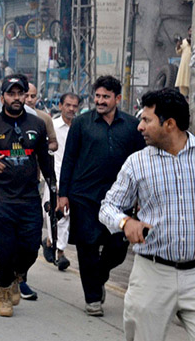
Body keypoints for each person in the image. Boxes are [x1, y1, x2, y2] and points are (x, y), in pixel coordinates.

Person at [100, 88, 195, 340]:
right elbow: (108, 207)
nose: (139, 126)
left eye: (146, 120)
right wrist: (125, 222)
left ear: (170, 124)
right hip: (152, 275)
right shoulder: (137, 163)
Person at [0, 76, 54, 317]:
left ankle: (17, 275)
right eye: (11, 93)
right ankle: (4, 291)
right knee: (4, 248)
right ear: (2, 96)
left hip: (29, 198)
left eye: (21, 93)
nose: (16, 98)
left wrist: (56, 190)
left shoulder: (37, 124)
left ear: (26, 96)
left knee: (30, 248)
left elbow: (46, 161)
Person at [58, 75, 145, 316]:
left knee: (117, 247)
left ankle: (99, 277)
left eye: (106, 96)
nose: (100, 100)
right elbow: (69, 159)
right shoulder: (82, 123)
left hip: (120, 199)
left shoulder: (131, 126)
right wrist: (63, 194)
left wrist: (140, 197)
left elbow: (141, 164)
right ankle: (93, 298)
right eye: (97, 96)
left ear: (118, 98)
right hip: (83, 196)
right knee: (87, 247)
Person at [41, 93, 80, 271]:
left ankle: (51, 242)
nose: (71, 109)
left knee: (67, 213)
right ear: (60, 105)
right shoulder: (53, 127)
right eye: (68, 105)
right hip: (53, 176)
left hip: (74, 177)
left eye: (74, 106)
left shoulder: (80, 127)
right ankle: (60, 252)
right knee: (56, 212)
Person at [25, 83, 59, 152]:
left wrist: (41, 148)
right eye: (26, 96)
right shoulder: (11, 116)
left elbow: (54, 143)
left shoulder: (45, 118)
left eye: (33, 96)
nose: (29, 99)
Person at [176, 28, 192, 96]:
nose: (191, 32)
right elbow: (178, 51)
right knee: (183, 88)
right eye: (190, 31)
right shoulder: (184, 41)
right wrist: (178, 44)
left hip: (191, 69)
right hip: (184, 68)